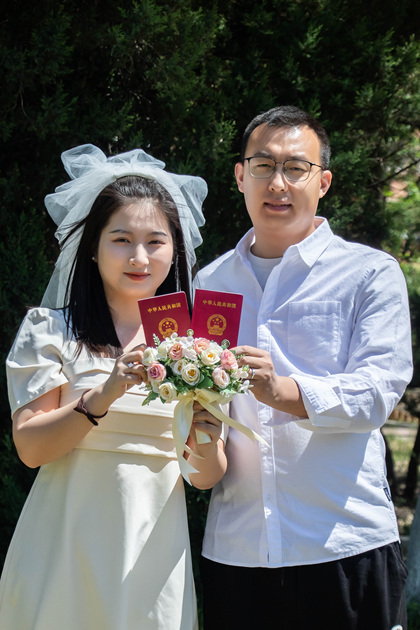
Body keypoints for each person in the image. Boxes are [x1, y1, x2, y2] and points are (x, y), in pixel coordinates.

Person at [193, 106, 413, 630]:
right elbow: (205, 404)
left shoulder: (369, 272)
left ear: (324, 182)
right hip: (238, 548)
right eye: (263, 166)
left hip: (342, 540)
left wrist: (285, 391)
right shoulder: (210, 283)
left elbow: (377, 391)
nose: (278, 183)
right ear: (240, 176)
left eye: (296, 168)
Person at [0, 144, 225, 630]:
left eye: (156, 241)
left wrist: (208, 430)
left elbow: (204, 476)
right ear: (93, 247)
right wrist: (103, 395)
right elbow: (31, 448)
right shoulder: (49, 330)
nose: (139, 257)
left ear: (175, 250)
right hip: (64, 546)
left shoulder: (196, 349)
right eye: (121, 239)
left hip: (154, 555)